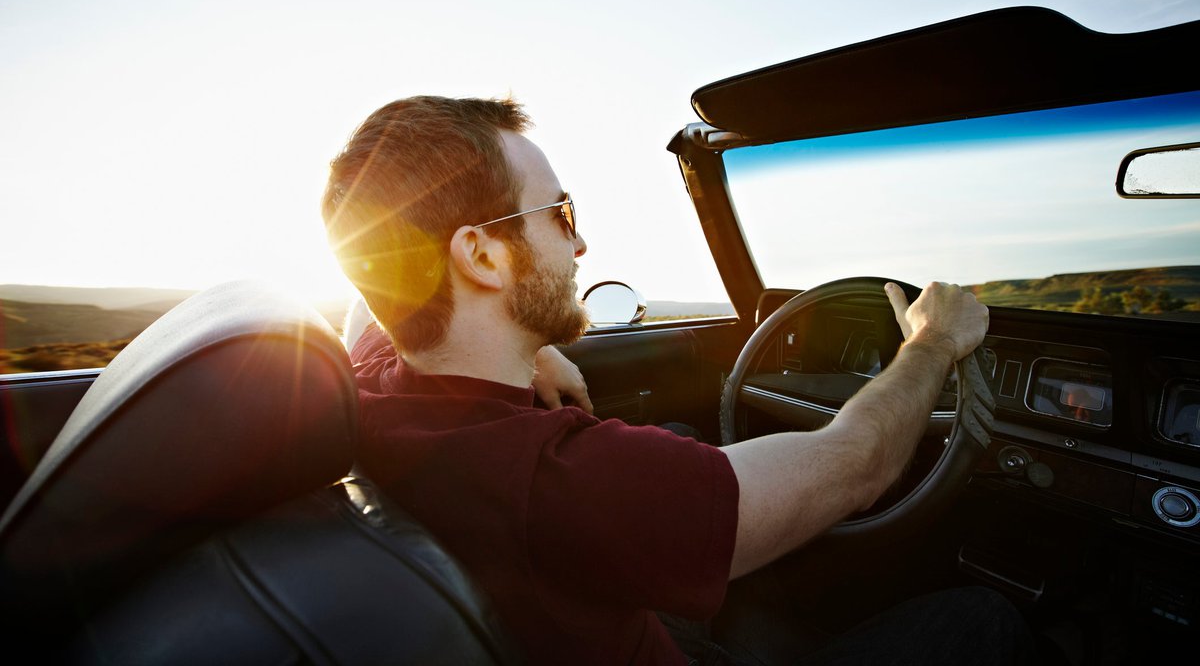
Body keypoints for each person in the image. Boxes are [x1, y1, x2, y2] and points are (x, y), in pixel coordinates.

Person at [321, 96, 1034, 665]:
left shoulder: (373, 387)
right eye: (559, 214)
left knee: (683, 439)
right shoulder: (560, 480)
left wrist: (531, 348)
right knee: (980, 617)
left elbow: (374, 301)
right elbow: (858, 464)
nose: (579, 243)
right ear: (480, 254)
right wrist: (934, 342)